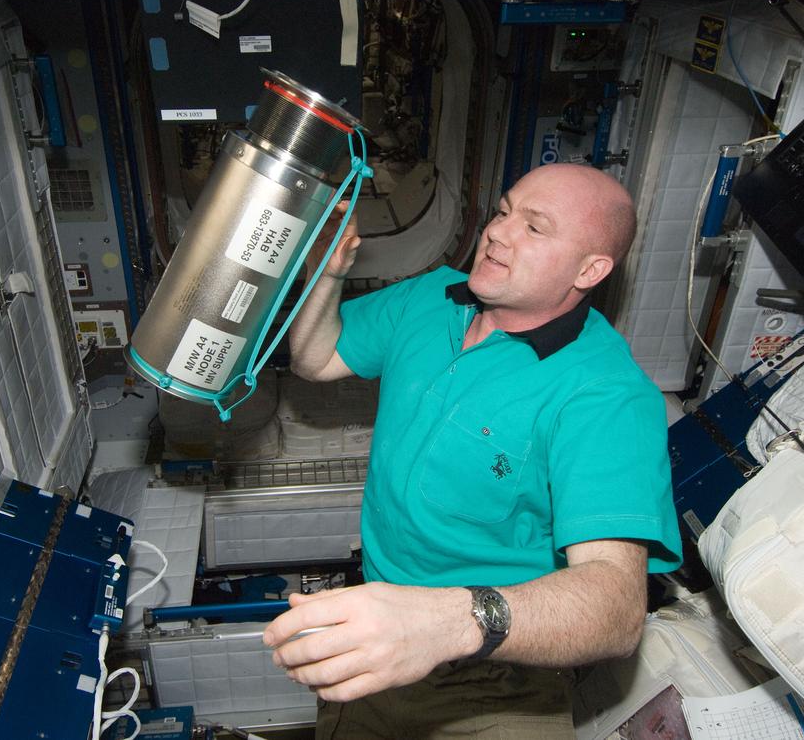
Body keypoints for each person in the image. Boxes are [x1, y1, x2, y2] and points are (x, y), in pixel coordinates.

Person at [262, 163, 683, 738]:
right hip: (381, 635)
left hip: (496, 675)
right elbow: (318, 358)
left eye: (535, 228)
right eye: (504, 211)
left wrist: (444, 624)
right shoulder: (431, 297)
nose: (498, 232)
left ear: (591, 269)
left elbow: (615, 609)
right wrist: (326, 274)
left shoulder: (606, 396)